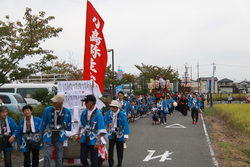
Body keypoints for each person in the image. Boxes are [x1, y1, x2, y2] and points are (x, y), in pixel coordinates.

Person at [39, 94, 72, 167]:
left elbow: (69, 126)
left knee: (59, 156)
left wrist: (68, 132)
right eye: (53, 102)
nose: (53, 103)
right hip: (48, 133)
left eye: (55, 102)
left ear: (61, 103)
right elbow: (43, 122)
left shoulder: (67, 111)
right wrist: (41, 135)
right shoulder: (48, 110)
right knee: (47, 155)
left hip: (60, 134)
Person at [77, 95, 107, 167]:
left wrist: (98, 140)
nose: (85, 103)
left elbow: (101, 128)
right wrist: (79, 131)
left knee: (94, 159)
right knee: (83, 157)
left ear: (91, 103)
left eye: (86, 102)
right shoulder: (84, 112)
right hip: (85, 136)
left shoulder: (98, 114)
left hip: (94, 137)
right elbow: (81, 123)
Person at [104, 100, 130, 167]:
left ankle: (119, 163)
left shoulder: (122, 114)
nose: (112, 108)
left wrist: (126, 134)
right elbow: (105, 119)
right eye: (111, 107)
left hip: (119, 132)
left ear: (117, 107)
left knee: (120, 149)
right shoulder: (109, 112)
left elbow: (125, 124)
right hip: (111, 132)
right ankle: (111, 163)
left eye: (113, 107)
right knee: (110, 149)